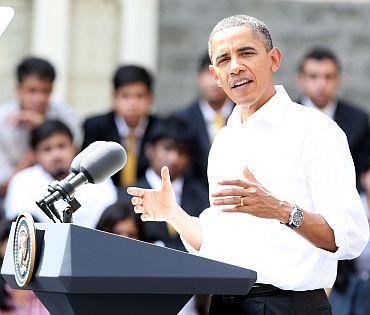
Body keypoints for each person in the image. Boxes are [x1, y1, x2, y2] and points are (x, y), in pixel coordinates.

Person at [128, 14, 369, 315]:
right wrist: (172, 214)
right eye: (224, 59)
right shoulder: (225, 140)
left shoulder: (316, 130)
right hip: (225, 304)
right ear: (215, 76)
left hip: (288, 306)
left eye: (246, 53)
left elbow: (349, 238)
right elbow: (218, 244)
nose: (236, 66)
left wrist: (281, 211)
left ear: (274, 59)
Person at [3, 120, 117, 228]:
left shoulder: (97, 176)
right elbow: (19, 227)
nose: (56, 155)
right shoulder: (22, 181)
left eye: (62, 146)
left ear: (74, 147)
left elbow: (111, 222)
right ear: (35, 155)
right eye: (47, 149)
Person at [0, 57, 82, 197]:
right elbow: (4, 188)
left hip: (63, 193)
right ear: (18, 89)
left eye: (45, 91)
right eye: (32, 91)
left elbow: (74, 168)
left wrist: (43, 126)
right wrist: (32, 156)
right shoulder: (2, 121)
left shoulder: (67, 115)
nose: (39, 99)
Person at [130, 116, 209, 251]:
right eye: (167, 148)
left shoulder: (202, 196)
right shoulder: (127, 196)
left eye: (182, 151)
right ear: (150, 150)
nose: (174, 158)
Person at [297, 47, 370, 188]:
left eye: (328, 77)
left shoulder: (358, 120)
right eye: (313, 76)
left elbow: (364, 168)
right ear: (301, 80)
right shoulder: (285, 117)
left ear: (338, 80)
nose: (321, 84)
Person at [82, 65, 158, 188]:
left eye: (139, 96)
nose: (132, 103)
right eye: (125, 96)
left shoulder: (159, 128)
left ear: (150, 98)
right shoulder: (96, 127)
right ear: (114, 97)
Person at [176, 53, 234, 188]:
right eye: (209, 74)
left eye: (220, 74)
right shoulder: (182, 120)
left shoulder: (247, 116)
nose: (214, 82)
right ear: (199, 77)